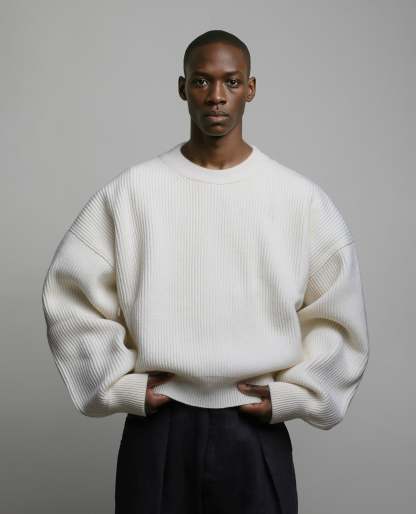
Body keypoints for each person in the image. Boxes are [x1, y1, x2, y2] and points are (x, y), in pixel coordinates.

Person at [41, 29, 370, 514]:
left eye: (231, 82)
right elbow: (70, 293)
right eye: (201, 81)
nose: (217, 96)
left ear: (250, 88)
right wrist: (117, 384)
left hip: (255, 428)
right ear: (183, 88)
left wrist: (298, 396)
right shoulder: (133, 192)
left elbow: (338, 310)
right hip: (160, 426)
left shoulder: (299, 200)